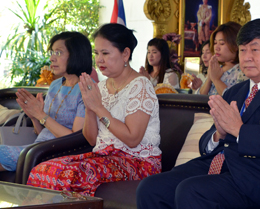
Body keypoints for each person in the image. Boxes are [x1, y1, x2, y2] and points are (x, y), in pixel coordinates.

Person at [136, 18, 260, 209]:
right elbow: (209, 141)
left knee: (192, 190)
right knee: (150, 188)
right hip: (221, 164)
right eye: (242, 50)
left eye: (255, 50)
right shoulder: (235, 92)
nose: (247, 57)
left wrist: (239, 130)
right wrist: (219, 134)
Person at [27, 23, 161, 196]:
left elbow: (132, 139)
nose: (99, 60)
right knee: (42, 169)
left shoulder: (141, 86)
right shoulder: (102, 86)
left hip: (139, 162)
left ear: (125, 54)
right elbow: (91, 139)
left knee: (68, 176)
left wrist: (98, 107)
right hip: (104, 156)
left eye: (105, 53)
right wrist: (90, 107)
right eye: (97, 53)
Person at [0, 31, 92, 172]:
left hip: (57, 153)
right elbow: (42, 133)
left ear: (76, 54)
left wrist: (41, 115)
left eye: (58, 53)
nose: (52, 58)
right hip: (36, 148)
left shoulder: (86, 89)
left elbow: (76, 140)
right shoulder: (55, 86)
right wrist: (34, 117)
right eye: (52, 52)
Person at [199, 21, 246, 96]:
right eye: (215, 43)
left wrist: (216, 80)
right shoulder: (217, 68)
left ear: (235, 46)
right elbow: (199, 97)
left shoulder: (243, 71)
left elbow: (234, 99)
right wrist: (209, 78)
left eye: (222, 44)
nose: (216, 48)